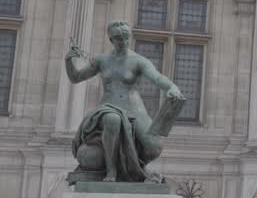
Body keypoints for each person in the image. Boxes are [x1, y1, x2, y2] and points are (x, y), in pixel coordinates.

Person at [64, 21, 184, 183]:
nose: (124, 41)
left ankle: (135, 168)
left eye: (126, 37)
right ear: (111, 39)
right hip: (108, 106)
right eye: (119, 38)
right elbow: (76, 77)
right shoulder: (101, 60)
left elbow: (157, 77)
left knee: (154, 147)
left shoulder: (139, 61)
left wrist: (172, 87)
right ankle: (111, 170)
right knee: (112, 120)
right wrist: (68, 60)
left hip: (133, 108)